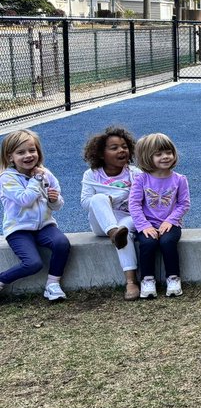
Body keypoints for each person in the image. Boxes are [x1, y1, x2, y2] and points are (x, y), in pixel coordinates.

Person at [0, 129, 70, 301]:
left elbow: (58, 204)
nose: (28, 156)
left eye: (32, 150)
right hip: (19, 229)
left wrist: (54, 200)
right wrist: (37, 180)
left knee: (62, 243)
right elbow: (25, 200)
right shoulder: (6, 178)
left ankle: (52, 284)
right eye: (21, 152)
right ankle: (2, 279)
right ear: (10, 157)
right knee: (33, 263)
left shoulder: (45, 173)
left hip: (44, 226)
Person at [80, 125, 141, 300]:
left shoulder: (135, 173)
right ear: (100, 154)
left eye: (124, 147)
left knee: (125, 229)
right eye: (114, 148)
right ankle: (114, 232)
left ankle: (131, 282)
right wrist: (112, 197)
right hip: (102, 224)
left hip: (128, 219)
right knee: (98, 199)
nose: (121, 150)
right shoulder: (91, 175)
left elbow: (142, 202)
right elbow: (86, 202)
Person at [130, 133, 190, 299]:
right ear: (148, 157)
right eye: (159, 154)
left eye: (168, 152)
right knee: (148, 243)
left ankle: (173, 278)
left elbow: (184, 204)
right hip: (147, 224)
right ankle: (147, 280)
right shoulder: (141, 179)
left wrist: (170, 220)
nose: (165, 157)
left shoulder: (180, 179)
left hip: (171, 224)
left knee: (167, 241)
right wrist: (144, 226)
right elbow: (134, 204)